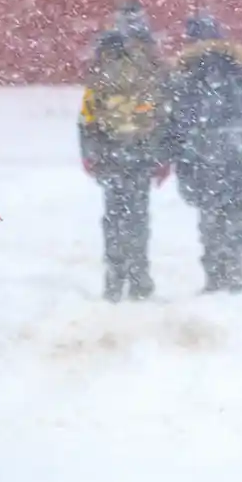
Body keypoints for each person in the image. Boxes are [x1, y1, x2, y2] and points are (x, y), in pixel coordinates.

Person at [165, 15, 242, 293]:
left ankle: (216, 276)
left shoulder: (186, 77)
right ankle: (235, 270)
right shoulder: (241, 73)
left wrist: (176, 160)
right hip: (240, 158)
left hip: (204, 162)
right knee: (238, 216)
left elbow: (178, 125)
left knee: (211, 220)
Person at [80, 29, 170, 302]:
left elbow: (87, 120)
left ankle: (114, 279)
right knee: (138, 217)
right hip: (141, 157)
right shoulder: (149, 74)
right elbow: (163, 119)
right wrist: (163, 157)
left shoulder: (100, 77)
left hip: (111, 157)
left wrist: (90, 155)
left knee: (114, 217)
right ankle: (140, 278)